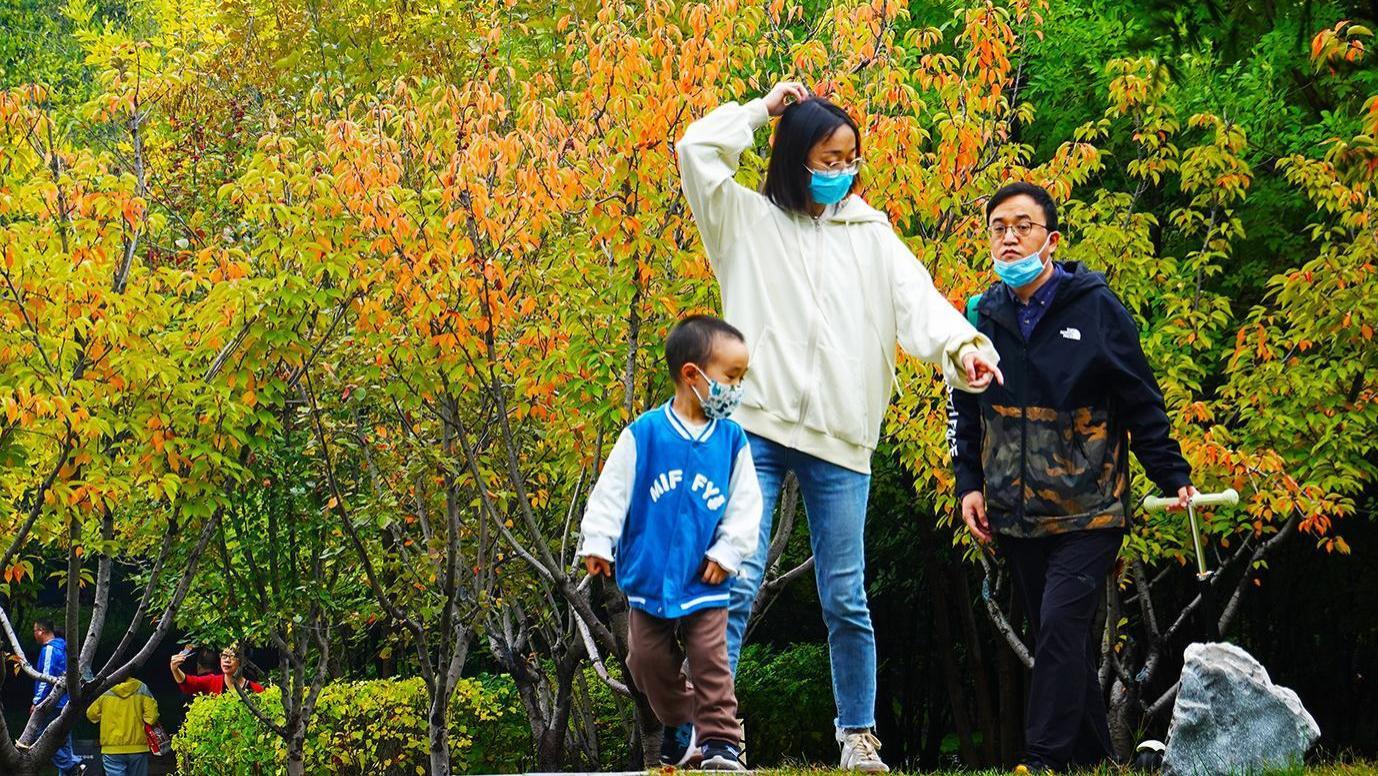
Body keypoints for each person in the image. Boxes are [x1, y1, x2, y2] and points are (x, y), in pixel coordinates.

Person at [676, 81, 1002, 770]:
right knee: (735, 578)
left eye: (850, 157)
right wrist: (762, 110)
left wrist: (965, 350)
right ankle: (715, 739)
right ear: (793, 157)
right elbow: (695, 149)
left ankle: (858, 735)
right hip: (756, 425)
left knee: (846, 596)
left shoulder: (871, 233)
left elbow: (922, 305)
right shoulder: (745, 222)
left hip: (841, 436)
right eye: (826, 158)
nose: (841, 170)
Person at [949, 182, 1198, 773]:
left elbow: (1140, 398)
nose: (1008, 237)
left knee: (1061, 628)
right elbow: (962, 410)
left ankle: (1043, 761)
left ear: (1051, 239)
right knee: (1059, 643)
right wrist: (969, 485)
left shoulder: (1096, 308)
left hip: (1090, 511)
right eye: (998, 227)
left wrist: (1172, 476)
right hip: (1014, 512)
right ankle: (1098, 762)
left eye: (1023, 226)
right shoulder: (979, 316)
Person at [579, 315, 763, 770]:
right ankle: (683, 722)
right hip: (648, 579)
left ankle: (721, 740)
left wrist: (727, 552)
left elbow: (746, 505)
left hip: (704, 577)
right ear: (692, 375)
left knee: (710, 663)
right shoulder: (645, 435)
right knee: (643, 661)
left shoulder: (731, 440)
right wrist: (599, 541)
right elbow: (610, 493)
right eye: (730, 377)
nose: (736, 389)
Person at [25, 618, 84, 775]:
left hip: (53, 703)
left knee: (40, 736)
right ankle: (72, 768)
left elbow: (46, 678)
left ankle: (71, 766)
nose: (34, 635)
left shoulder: (50, 649)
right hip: (66, 701)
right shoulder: (64, 647)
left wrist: (37, 702)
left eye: (34, 631)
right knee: (63, 741)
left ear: (41, 631)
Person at [86, 675, 160, 776]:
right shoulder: (142, 687)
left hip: (111, 749)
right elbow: (152, 717)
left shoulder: (104, 689)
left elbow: (91, 715)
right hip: (138, 748)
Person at [170, 644, 264, 696]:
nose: (227, 660)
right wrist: (175, 669)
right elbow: (188, 683)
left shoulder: (257, 689)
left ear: (242, 661)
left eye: (232, 657)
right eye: (224, 656)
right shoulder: (212, 681)